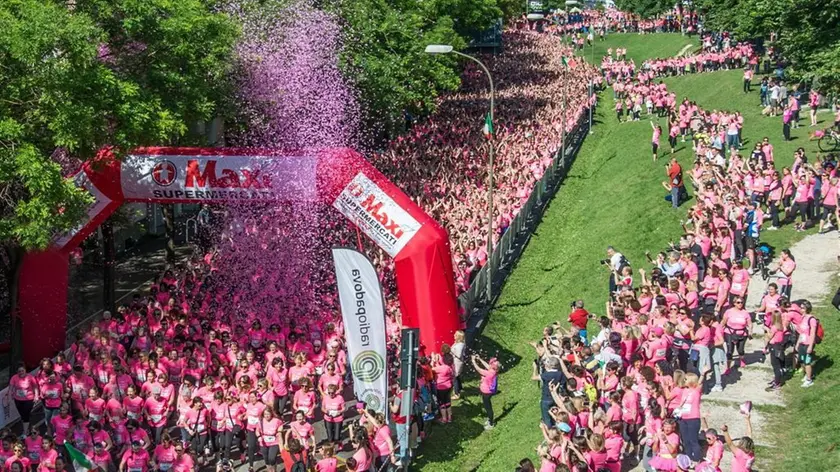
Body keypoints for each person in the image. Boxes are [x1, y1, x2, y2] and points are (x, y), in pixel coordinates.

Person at [532, 357, 566, 427]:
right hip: (556, 398)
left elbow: (533, 377)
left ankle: (550, 431)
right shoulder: (560, 374)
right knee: (558, 415)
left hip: (546, 399)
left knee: (547, 418)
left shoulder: (546, 375)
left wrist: (535, 368)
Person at [9, 363, 38, 436]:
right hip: (18, 400)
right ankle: (27, 428)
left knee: (26, 415)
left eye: (22, 371)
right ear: (17, 372)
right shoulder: (14, 378)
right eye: (19, 371)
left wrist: (36, 396)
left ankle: (25, 433)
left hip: (28, 399)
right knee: (22, 415)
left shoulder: (30, 377)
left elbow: (35, 387)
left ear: (25, 370)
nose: (21, 373)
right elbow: (11, 388)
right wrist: (9, 397)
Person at [472, 354, 499, 430]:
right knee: (487, 406)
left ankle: (491, 423)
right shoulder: (494, 370)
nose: (489, 365)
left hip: (487, 393)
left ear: (493, 366)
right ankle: (490, 419)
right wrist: (480, 359)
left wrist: (473, 361)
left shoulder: (490, 373)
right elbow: (487, 366)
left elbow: (479, 369)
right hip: (487, 392)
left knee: (488, 407)